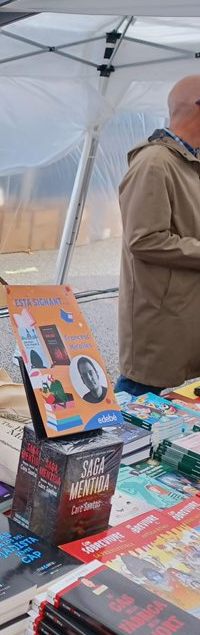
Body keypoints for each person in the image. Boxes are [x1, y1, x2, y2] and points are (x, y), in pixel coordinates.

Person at [116, 75, 200, 397]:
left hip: (186, 314)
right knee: (132, 421)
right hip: (162, 321)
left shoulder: (189, 162)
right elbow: (145, 239)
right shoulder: (154, 162)